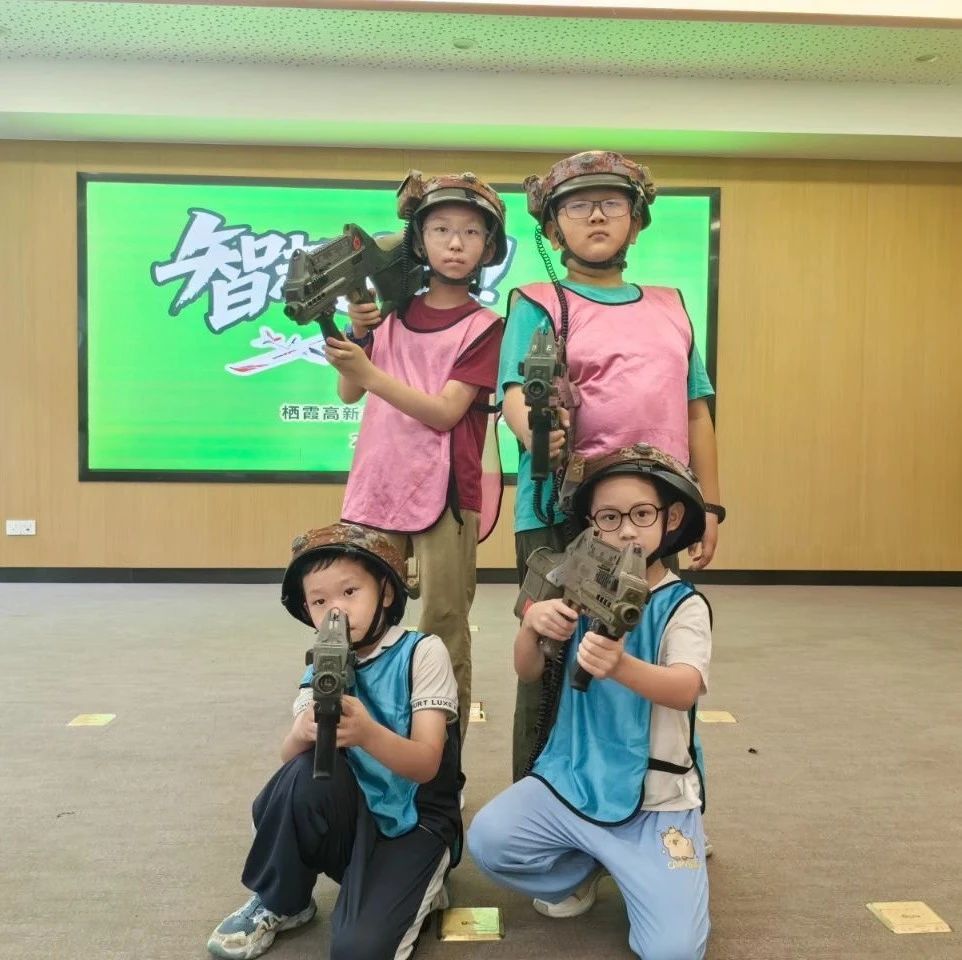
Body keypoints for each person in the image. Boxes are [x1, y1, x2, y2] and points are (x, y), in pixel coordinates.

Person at [501, 150, 724, 780]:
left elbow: (697, 411)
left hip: (651, 515)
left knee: (648, 651)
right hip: (562, 514)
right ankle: (542, 801)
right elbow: (516, 393)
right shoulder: (536, 301)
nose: (596, 216)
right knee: (550, 662)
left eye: (611, 203)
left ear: (636, 220)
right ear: (553, 227)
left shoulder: (671, 305)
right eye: (577, 206)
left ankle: (657, 797)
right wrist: (537, 437)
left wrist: (709, 505)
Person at [468, 444, 712, 959]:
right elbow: (528, 670)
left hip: (653, 801)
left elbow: (685, 688)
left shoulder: (683, 605)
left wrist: (620, 666)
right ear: (592, 527)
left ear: (670, 518)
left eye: (641, 514)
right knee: (490, 842)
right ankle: (586, 867)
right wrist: (531, 627)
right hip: (573, 780)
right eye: (609, 518)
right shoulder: (576, 584)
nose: (626, 531)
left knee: (674, 951)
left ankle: (645, 863)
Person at [207, 523, 461, 960]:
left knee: (358, 951)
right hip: (353, 814)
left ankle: (425, 881)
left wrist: (367, 733)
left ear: (386, 592)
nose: (336, 610)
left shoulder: (423, 652)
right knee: (297, 776)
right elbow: (289, 763)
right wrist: (301, 733)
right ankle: (283, 900)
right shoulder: (320, 663)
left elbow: (426, 765)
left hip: (415, 821)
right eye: (320, 601)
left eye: (349, 592)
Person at [329, 170, 507, 747]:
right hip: (377, 486)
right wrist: (359, 337)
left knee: (443, 625)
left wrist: (370, 370)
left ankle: (439, 761)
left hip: (445, 496)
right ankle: (364, 743)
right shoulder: (390, 315)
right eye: (441, 230)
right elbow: (348, 392)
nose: (455, 243)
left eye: (471, 232)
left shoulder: (487, 327)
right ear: (419, 241)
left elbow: (446, 413)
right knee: (360, 621)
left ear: (489, 247)